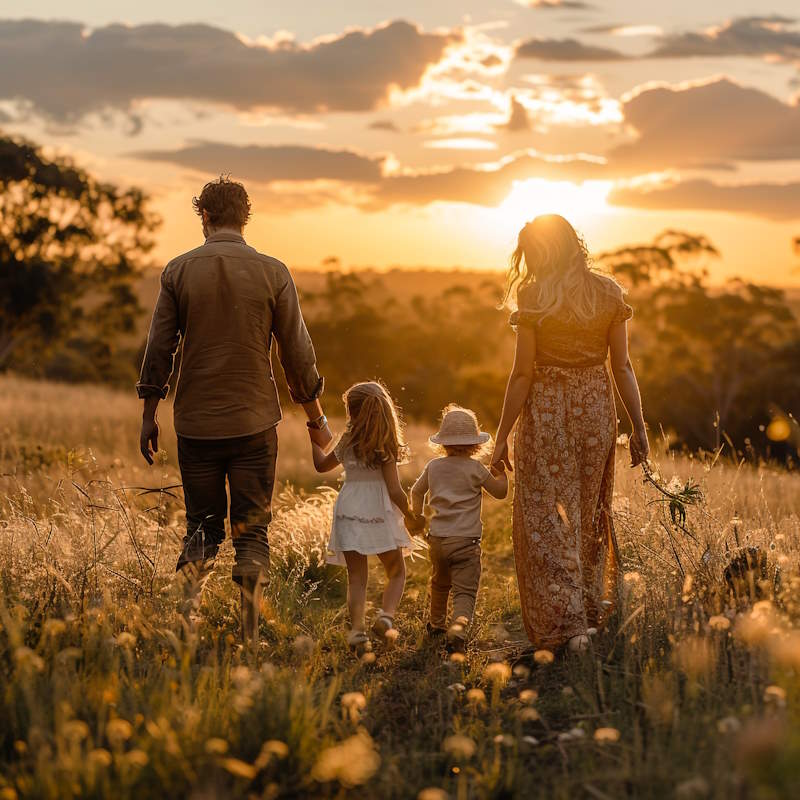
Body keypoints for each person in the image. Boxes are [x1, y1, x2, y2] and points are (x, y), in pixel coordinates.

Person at [137, 176, 332, 644]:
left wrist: (149, 412)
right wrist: (316, 418)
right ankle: (247, 636)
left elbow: (159, 348)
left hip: (196, 423)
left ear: (203, 215)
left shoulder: (177, 271)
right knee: (252, 532)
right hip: (254, 421)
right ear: (245, 216)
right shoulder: (273, 271)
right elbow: (297, 355)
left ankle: (184, 628)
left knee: (201, 527)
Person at [491, 214, 649, 654]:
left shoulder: (534, 295)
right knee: (587, 515)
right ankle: (588, 616)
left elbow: (522, 374)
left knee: (545, 519)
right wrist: (639, 426)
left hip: (546, 413)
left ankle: (566, 628)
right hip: (596, 412)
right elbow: (622, 367)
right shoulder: (608, 293)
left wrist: (502, 435)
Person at [310, 381, 423, 651]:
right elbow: (395, 490)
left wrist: (314, 439)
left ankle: (358, 633)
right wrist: (408, 514)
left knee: (357, 577)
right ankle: (386, 617)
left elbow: (321, 465)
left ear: (352, 411)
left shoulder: (347, 440)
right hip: (378, 510)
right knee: (396, 571)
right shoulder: (385, 443)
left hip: (348, 508)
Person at [411, 406, 508, 653]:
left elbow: (416, 491)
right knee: (465, 591)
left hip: (438, 541)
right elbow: (499, 493)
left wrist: (418, 515)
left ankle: (436, 625)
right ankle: (458, 633)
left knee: (440, 583)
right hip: (466, 542)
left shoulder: (434, 466)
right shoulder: (476, 469)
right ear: (475, 445)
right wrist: (502, 477)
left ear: (443, 443)